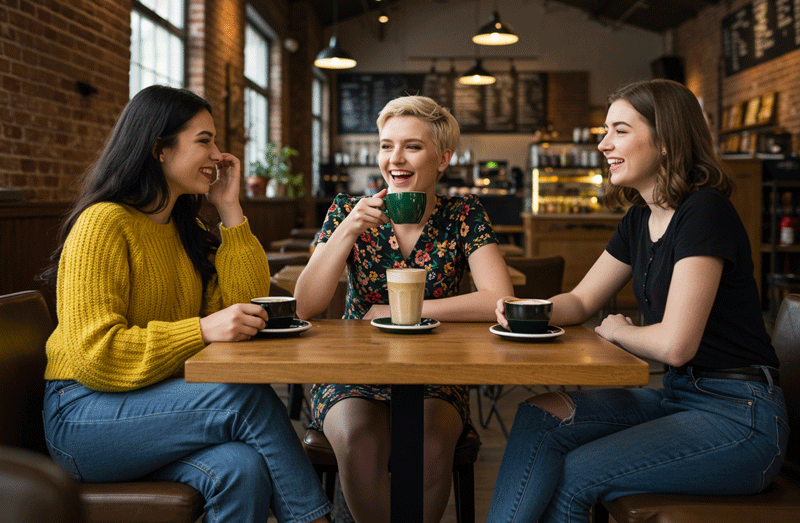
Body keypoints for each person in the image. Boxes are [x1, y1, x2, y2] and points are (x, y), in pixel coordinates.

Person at [488, 78, 789, 523]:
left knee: (574, 476)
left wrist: (620, 332)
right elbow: (580, 300)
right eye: (605, 131)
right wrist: (530, 311)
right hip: (679, 396)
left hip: (739, 418)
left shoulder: (704, 211)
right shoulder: (639, 219)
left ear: (666, 140)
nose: (604, 144)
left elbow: (675, 345)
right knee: (538, 416)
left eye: (620, 131)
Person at [40, 85, 331, 523]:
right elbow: (93, 356)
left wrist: (230, 209)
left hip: (153, 407)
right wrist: (200, 330)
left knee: (243, 468)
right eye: (204, 140)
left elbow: (245, 307)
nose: (218, 154)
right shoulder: (102, 224)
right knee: (245, 398)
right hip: (82, 416)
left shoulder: (184, 228)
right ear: (159, 149)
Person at [294, 95, 514, 522]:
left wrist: (406, 312)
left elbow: (498, 299)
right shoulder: (346, 211)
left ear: (443, 157)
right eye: (386, 145)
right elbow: (305, 305)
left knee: (430, 449)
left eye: (412, 146)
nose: (394, 158)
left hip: (436, 371)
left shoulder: (463, 214)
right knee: (359, 443)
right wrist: (350, 228)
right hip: (355, 370)